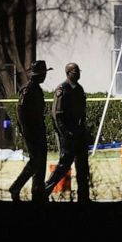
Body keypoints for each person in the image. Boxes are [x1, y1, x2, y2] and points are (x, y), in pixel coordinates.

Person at [39, 62, 90, 203]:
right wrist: (65, 134)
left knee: (83, 168)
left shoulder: (79, 89)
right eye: (75, 72)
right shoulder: (63, 89)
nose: (78, 74)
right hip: (67, 134)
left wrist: (83, 130)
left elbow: (82, 112)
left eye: (78, 71)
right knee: (63, 166)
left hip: (79, 134)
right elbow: (57, 115)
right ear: (68, 73)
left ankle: (84, 197)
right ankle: (44, 192)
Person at [8, 60, 52, 203]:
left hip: (38, 129)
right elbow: (21, 111)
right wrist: (25, 130)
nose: (45, 76)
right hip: (32, 131)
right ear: (39, 75)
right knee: (35, 161)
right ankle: (16, 186)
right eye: (44, 73)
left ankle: (37, 192)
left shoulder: (36, 88)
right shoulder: (29, 89)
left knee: (41, 161)